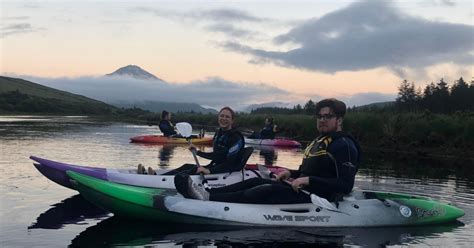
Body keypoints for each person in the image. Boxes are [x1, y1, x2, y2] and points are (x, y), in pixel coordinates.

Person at [175, 98, 361, 204]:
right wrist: (291, 173)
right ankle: (208, 195)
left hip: (319, 198)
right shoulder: (320, 141)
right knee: (255, 179)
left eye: (327, 117)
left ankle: (209, 199)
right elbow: (307, 172)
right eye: (319, 116)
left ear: (339, 120)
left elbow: (345, 185)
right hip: (302, 188)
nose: (322, 120)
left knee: (266, 188)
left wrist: (307, 180)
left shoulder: (344, 145)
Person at [162, 106, 245, 175]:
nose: (224, 118)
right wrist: (197, 152)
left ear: (232, 120)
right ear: (218, 117)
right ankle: (156, 176)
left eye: (227, 117)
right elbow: (216, 155)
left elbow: (229, 163)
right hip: (216, 166)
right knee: (187, 166)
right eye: (222, 116)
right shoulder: (219, 133)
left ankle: (157, 179)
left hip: (227, 171)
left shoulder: (236, 137)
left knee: (192, 171)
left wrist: (209, 171)